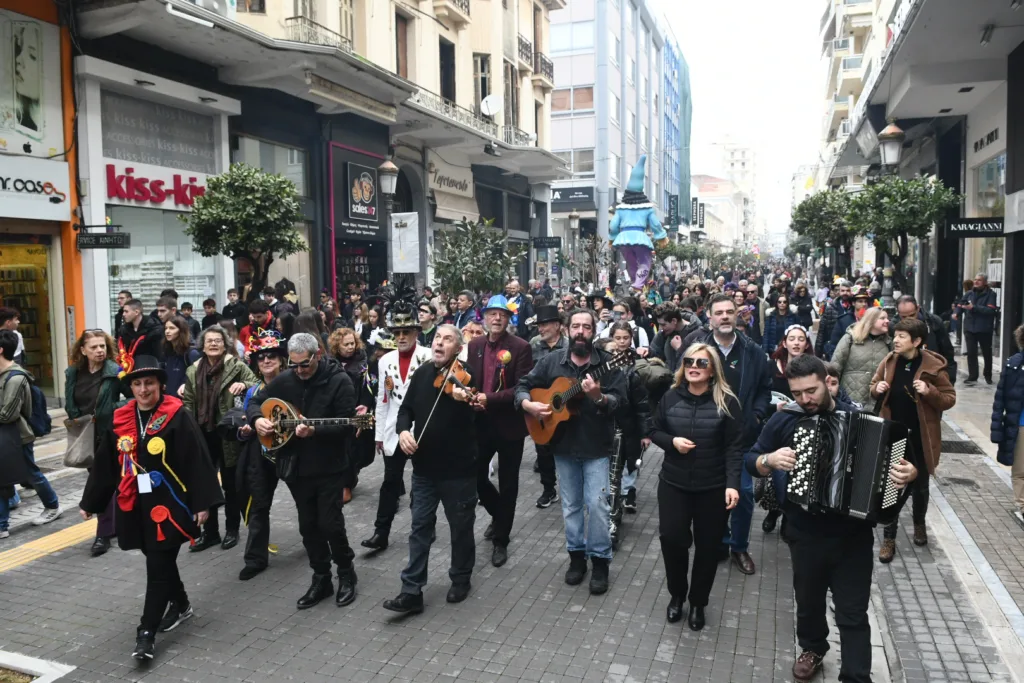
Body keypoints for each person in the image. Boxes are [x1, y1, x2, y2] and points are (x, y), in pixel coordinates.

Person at [749, 354, 921, 682]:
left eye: (810, 391)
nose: (804, 399)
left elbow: (900, 469)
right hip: (804, 532)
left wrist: (908, 474)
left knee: (853, 613)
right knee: (809, 602)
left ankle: (855, 676)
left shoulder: (861, 420)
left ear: (828, 382)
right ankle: (813, 648)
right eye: (797, 393)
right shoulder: (784, 420)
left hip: (852, 537)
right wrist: (768, 460)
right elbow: (750, 459)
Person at [78, 355, 221, 660]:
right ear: (130, 387)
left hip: (170, 505)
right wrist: (91, 503)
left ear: (160, 385)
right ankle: (181, 605)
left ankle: (146, 634)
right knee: (160, 562)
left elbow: (197, 460)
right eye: (138, 383)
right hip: (135, 505)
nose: (144, 390)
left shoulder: (176, 415)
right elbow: (105, 464)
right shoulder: (121, 419)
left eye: (150, 383)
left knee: (156, 567)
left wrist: (202, 503)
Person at [516, 309, 628, 595]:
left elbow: (619, 401)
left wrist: (599, 397)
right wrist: (528, 404)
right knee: (571, 506)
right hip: (563, 447)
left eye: (586, 327)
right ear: (567, 330)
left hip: (595, 447)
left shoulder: (608, 363)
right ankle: (576, 557)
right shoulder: (553, 361)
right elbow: (524, 385)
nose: (580, 331)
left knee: (599, 506)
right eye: (575, 326)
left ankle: (600, 561)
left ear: (593, 332)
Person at [250, 333, 360, 609]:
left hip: (330, 466)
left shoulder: (339, 381)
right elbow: (255, 402)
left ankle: (346, 572)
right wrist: (257, 420)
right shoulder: (286, 380)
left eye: (305, 365)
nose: (299, 371)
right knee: (308, 526)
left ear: (318, 355)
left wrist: (316, 430)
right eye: (294, 365)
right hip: (297, 468)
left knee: (330, 524)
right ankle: (321, 576)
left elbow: (348, 425)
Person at [382, 325, 480, 614]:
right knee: (419, 528)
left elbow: (474, 400)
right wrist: (402, 432)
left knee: (460, 527)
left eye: (447, 339)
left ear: (458, 348)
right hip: (424, 469)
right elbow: (405, 410)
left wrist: (466, 397)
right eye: (437, 337)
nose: (439, 343)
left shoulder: (467, 377)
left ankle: (461, 578)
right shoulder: (423, 373)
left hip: (458, 471)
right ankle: (411, 591)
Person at [651, 343, 742, 630]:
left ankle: (698, 602)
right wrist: (671, 442)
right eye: (689, 361)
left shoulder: (728, 402)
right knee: (672, 539)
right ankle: (677, 595)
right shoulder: (669, 397)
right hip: (673, 483)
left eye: (701, 363)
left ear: (713, 369)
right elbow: (653, 430)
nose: (694, 366)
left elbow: (734, 448)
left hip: (712, 487)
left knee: (708, 548)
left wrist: (732, 484)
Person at [683, 294, 771, 575]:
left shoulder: (752, 351)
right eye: (718, 312)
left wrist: (756, 416)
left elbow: (763, 390)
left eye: (729, 312)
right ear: (709, 317)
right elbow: (680, 386)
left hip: (741, 437)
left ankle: (739, 546)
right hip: (705, 437)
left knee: (743, 493)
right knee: (710, 495)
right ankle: (717, 542)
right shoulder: (696, 349)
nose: (724, 316)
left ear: (737, 315)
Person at [871, 318, 956, 562]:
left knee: (920, 486)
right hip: (894, 434)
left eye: (901, 337)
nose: (895, 340)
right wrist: (876, 388)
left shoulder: (933, 366)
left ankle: (919, 524)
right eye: (895, 335)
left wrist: (929, 391)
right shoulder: (889, 361)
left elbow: (949, 399)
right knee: (892, 484)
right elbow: (873, 384)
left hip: (920, 436)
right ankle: (889, 538)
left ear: (917, 341)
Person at [465, 295, 534, 567]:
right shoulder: (475, 345)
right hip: (480, 424)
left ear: (508, 319)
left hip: (509, 427)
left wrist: (488, 399)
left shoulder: (521, 347)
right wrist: (470, 395)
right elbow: (472, 379)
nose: (497, 319)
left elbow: (520, 388)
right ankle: (499, 515)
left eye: (502, 315)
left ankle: (501, 540)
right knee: (476, 478)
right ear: (485, 317)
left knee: (509, 484)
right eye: (492, 314)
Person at [362, 294, 433, 551]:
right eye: (397, 331)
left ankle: (423, 527)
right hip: (394, 428)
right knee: (390, 483)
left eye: (407, 331)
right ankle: (381, 532)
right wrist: (379, 435)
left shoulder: (428, 357)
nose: (401, 337)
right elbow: (382, 399)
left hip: (422, 429)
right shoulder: (385, 361)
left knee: (422, 483)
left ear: (417, 331)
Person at [181, 326, 257, 552]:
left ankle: (232, 530)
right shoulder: (193, 370)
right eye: (209, 341)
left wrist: (244, 385)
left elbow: (257, 385)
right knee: (205, 483)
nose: (213, 344)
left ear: (225, 345)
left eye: (218, 341)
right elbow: (188, 403)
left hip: (228, 433)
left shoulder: (236, 366)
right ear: (202, 346)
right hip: (202, 432)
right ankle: (210, 533)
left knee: (231, 484)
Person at [233, 330, 288, 580]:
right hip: (261, 455)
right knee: (258, 505)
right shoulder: (251, 393)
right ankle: (255, 559)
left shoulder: (293, 385)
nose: (266, 361)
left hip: (292, 453)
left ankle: (318, 546)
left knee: (309, 503)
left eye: (272, 356)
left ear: (281, 359)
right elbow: (243, 422)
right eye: (262, 357)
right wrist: (245, 430)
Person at [64, 330, 122, 556]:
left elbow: (133, 396)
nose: (99, 351)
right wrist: (79, 419)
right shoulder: (73, 373)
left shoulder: (115, 371)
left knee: (103, 482)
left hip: (110, 435)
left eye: (103, 346)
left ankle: (103, 533)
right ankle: (113, 525)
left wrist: (110, 410)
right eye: (94, 347)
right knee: (105, 482)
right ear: (83, 350)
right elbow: (70, 403)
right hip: (86, 435)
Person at [0, 330, 62, 534]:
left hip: (17, 436)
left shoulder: (16, 378)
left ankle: (53, 506)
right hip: (4, 436)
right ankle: (3, 523)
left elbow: (8, 413)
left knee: (31, 473)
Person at [606, 322, 653, 514]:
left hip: (630, 420)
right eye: (618, 338)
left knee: (630, 456)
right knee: (611, 459)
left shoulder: (635, 363)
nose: (622, 342)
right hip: (609, 420)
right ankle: (614, 493)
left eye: (625, 338)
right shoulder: (604, 361)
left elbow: (642, 403)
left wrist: (645, 432)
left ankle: (629, 491)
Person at [328, 327, 376, 491]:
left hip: (359, 409)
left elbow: (369, 386)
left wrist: (365, 405)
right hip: (338, 411)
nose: (350, 347)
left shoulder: (363, 362)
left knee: (358, 448)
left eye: (352, 343)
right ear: (337, 346)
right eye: (346, 344)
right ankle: (345, 484)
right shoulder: (330, 363)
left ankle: (350, 478)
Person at [529, 305, 565, 507]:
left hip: (564, 405)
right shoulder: (534, 345)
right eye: (539, 325)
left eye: (545, 325)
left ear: (558, 325)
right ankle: (548, 489)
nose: (541, 329)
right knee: (542, 450)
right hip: (540, 404)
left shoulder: (569, 346)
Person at [991, 325, 1024, 518]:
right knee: (1020, 468)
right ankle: (1022, 505)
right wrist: (997, 430)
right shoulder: (1014, 364)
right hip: (1019, 424)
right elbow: (1000, 399)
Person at [831, 307, 892, 408]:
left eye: (887, 318)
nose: (887, 321)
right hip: (850, 400)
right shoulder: (850, 338)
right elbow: (835, 366)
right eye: (882, 318)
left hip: (878, 401)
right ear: (871, 320)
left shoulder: (889, 343)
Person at [895, 295, 956, 383]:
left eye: (912, 315)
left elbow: (947, 353)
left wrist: (949, 381)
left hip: (933, 376)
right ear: (898, 313)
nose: (909, 319)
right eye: (904, 317)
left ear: (918, 308)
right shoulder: (894, 326)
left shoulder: (934, 322)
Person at [962, 273, 998, 385]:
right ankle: (972, 376)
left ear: (985, 282)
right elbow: (961, 303)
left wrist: (974, 307)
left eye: (979, 280)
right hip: (969, 327)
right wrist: (956, 311)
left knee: (986, 353)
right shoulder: (969, 293)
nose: (976, 282)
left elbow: (990, 310)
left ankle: (988, 375)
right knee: (971, 353)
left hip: (984, 328)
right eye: (975, 279)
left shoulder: (991, 294)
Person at [162, 317, 200, 398]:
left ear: (181, 331)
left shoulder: (191, 353)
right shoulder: (168, 351)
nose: (167, 331)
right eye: (166, 328)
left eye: (172, 328)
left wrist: (185, 383)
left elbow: (197, 376)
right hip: (169, 399)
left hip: (184, 401)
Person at [815, 280, 852, 359]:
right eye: (842, 290)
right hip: (833, 349)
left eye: (848, 290)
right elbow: (822, 331)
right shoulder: (830, 308)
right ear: (839, 292)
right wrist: (818, 353)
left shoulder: (855, 308)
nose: (845, 293)